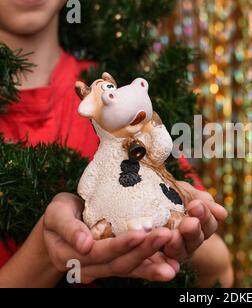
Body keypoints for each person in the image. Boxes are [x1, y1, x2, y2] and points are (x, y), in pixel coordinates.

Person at [0, 0, 233, 288]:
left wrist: (182, 233)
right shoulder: (98, 106)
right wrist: (46, 254)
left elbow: (219, 271)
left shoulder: (126, 103)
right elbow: (90, 184)